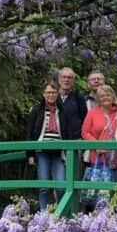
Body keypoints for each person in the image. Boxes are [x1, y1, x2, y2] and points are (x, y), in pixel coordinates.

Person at [26, 81, 70, 210]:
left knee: (61, 186)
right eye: (48, 92)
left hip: (59, 152)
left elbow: (68, 133)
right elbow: (29, 133)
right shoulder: (36, 110)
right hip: (42, 151)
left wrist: (67, 152)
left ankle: (61, 213)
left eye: (53, 92)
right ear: (43, 94)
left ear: (57, 93)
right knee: (44, 186)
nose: (51, 95)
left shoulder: (62, 111)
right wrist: (30, 155)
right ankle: (43, 214)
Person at [81, 84, 117, 177]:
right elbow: (85, 132)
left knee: (116, 188)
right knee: (98, 188)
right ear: (98, 99)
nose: (105, 98)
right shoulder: (92, 113)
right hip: (98, 157)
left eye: (108, 95)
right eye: (102, 96)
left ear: (113, 97)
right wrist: (96, 145)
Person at [56, 67, 88, 140]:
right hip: (56, 140)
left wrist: (82, 138)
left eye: (69, 78)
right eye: (64, 77)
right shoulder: (53, 98)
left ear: (73, 81)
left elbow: (85, 120)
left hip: (74, 140)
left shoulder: (79, 98)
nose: (66, 80)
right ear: (59, 80)